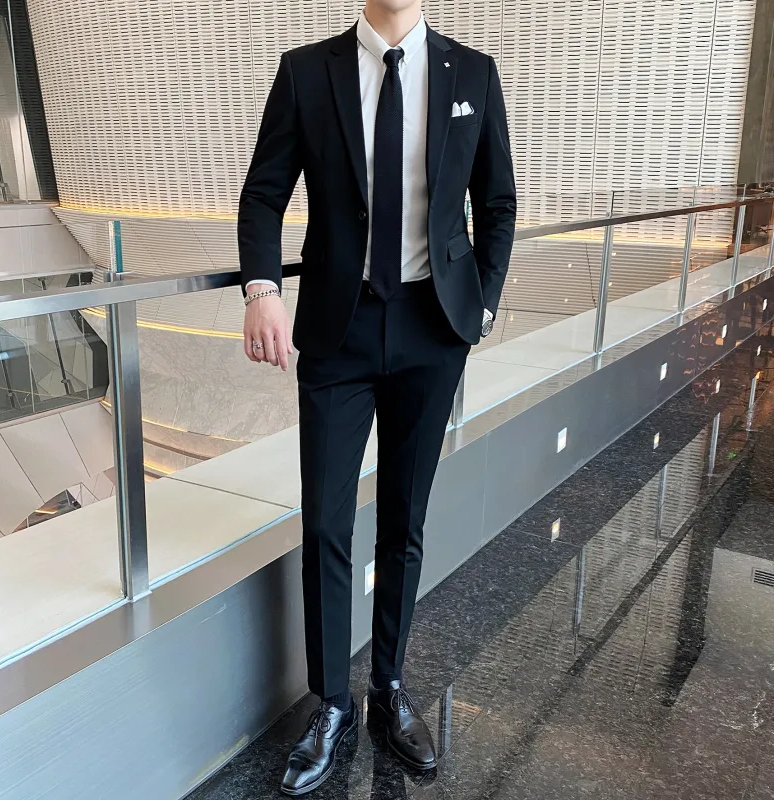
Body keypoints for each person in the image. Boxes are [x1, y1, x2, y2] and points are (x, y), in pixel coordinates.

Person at [238, 0, 515, 793]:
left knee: (404, 520)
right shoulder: (305, 72)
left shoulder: (474, 74)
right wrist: (262, 288)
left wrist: (481, 305)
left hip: (434, 328)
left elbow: (498, 202)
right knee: (326, 521)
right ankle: (332, 704)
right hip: (339, 330)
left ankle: (388, 688)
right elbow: (263, 194)